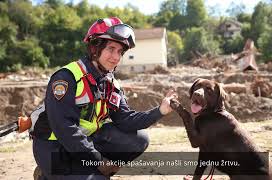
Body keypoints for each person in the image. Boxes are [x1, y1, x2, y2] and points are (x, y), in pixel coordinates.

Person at [30, 17, 177, 180]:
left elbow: (126, 119)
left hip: (83, 144)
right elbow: (65, 129)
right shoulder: (66, 78)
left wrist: (160, 110)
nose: (116, 57)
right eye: (111, 48)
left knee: (139, 139)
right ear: (94, 47)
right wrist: (98, 161)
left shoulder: (110, 83)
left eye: (120, 52)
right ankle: (46, 175)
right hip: (54, 149)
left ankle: (90, 173)